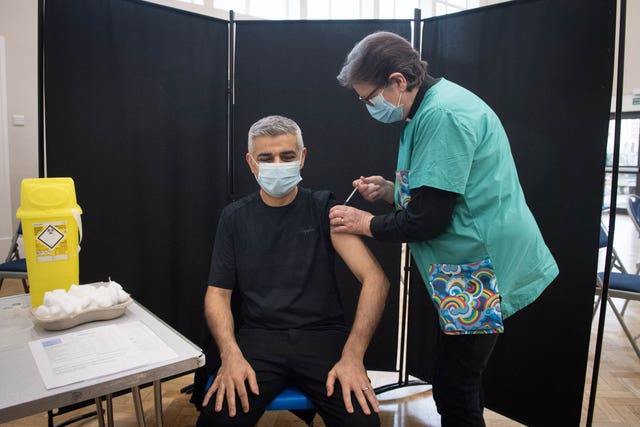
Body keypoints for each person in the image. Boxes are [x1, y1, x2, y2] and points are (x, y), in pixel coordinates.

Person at [330, 31, 559, 427]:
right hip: (468, 263)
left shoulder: (442, 115)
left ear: (398, 82)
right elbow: (440, 186)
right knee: (459, 379)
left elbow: (429, 219)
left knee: (456, 388)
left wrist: (365, 224)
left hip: (478, 268)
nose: (367, 107)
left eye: (368, 98)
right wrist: (390, 190)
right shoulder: (430, 104)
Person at [196, 115, 389, 427]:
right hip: (259, 338)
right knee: (217, 423)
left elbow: (375, 279)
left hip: (323, 338)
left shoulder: (325, 209)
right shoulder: (234, 218)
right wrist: (230, 354)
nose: (277, 164)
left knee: (363, 424)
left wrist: (353, 356)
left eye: (286, 156)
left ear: (302, 157)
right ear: (250, 162)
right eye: (266, 158)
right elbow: (218, 293)